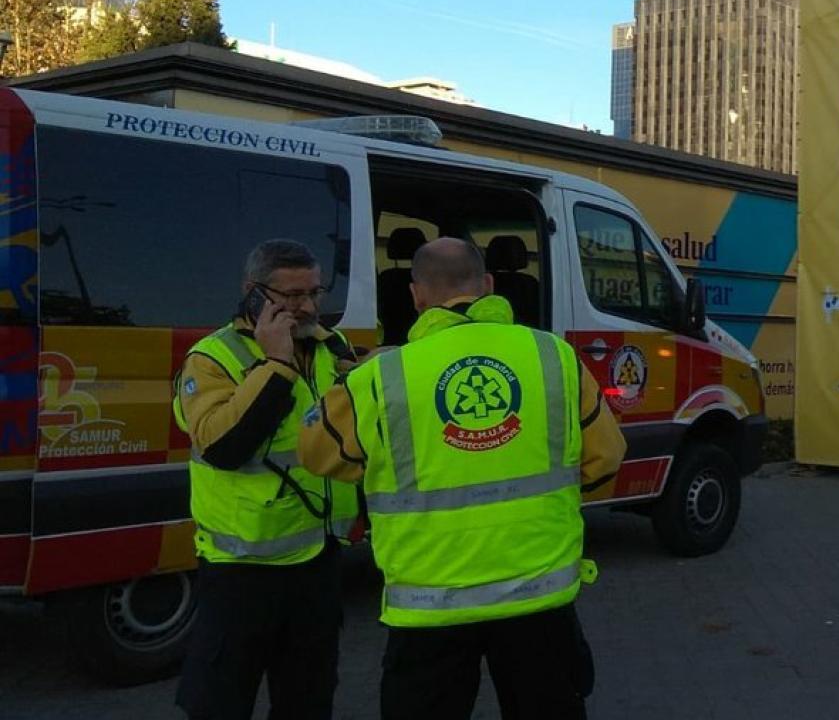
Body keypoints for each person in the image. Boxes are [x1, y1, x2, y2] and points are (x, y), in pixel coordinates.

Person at [299, 237, 626, 720]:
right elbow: (607, 458)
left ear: (416, 296)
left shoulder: (384, 375)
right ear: (489, 286)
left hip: (430, 605)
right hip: (537, 597)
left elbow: (317, 455)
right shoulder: (552, 356)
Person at [173, 239, 363, 720]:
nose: (307, 306)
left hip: (317, 557)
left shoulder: (329, 346)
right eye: (291, 295)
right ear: (252, 293)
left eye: (314, 293)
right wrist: (275, 365)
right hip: (242, 568)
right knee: (220, 700)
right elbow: (223, 447)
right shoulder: (213, 357)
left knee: (309, 695)